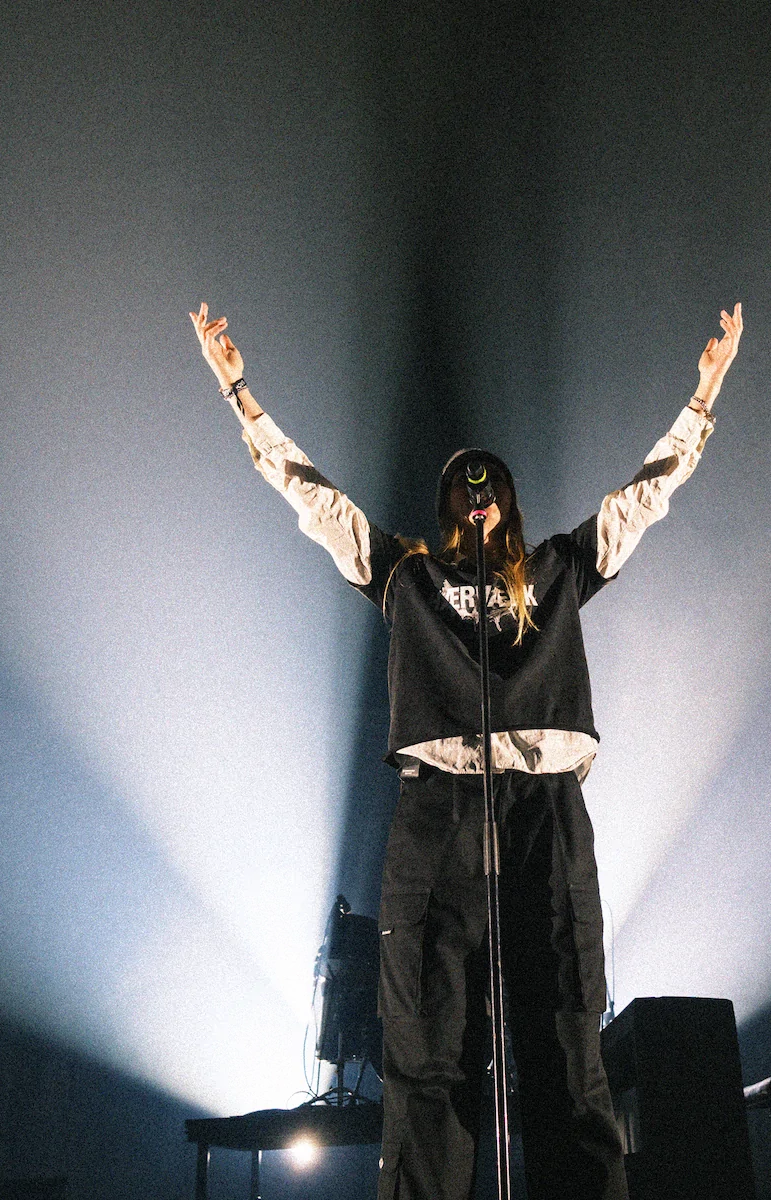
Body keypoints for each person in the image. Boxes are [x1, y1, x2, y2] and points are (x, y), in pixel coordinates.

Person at [190, 300, 742, 1200]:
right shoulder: (406, 576)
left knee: (567, 1037)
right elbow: (317, 501)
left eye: (491, 487)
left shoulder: (558, 570)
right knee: (429, 1048)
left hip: (543, 808)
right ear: (447, 505)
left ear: (509, 504)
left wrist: (703, 397)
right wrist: (239, 395)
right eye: (462, 486)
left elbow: (642, 498)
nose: (478, 496)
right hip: (439, 814)